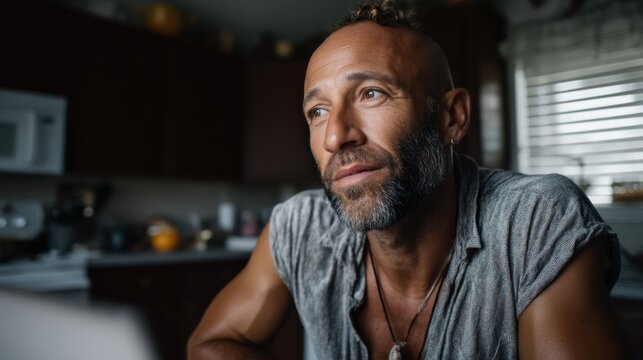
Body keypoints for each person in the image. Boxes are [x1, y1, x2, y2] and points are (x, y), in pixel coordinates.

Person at [187, 1, 627, 359]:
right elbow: (210, 344)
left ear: (451, 118)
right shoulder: (298, 228)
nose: (337, 136)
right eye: (317, 112)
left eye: (371, 94)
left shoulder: (534, 222)